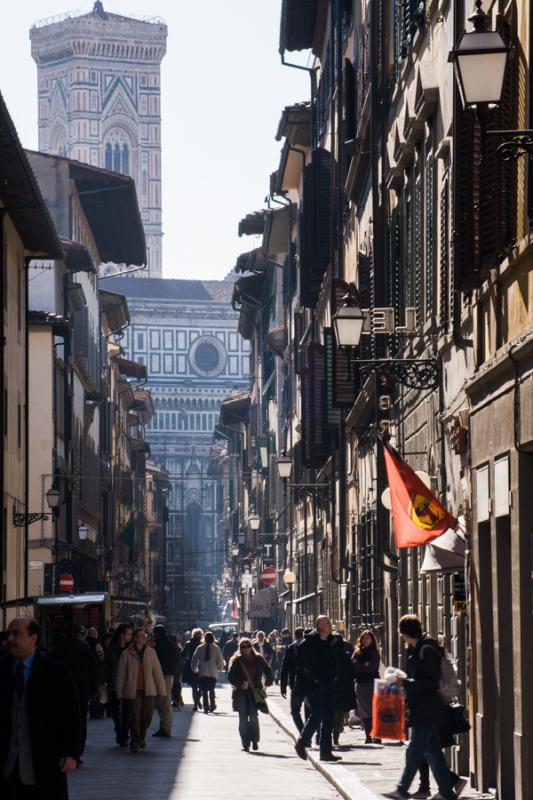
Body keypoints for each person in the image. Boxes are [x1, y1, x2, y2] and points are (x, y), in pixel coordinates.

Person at [0, 617, 80, 799]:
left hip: (44, 759)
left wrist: (71, 753)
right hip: (6, 762)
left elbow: (71, 714)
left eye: (17, 634)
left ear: (33, 639)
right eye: (8, 634)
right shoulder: (2, 669)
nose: (10, 639)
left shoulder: (56, 671)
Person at [385, 615, 458, 800]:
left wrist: (405, 683)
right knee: (432, 752)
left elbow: (430, 681)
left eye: (402, 634)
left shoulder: (426, 649)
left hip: (429, 709)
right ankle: (448, 792)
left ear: (406, 632)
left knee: (414, 752)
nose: (402, 638)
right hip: (423, 708)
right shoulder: (418, 649)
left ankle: (402, 790)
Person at [294, 615, 352, 763]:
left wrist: (339, 676)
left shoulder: (335, 640)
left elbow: (341, 659)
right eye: (325, 622)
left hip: (331, 683)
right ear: (318, 625)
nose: (329, 624)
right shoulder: (309, 641)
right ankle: (302, 742)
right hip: (316, 684)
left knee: (328, 718)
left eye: (329, 622)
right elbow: (302, 664)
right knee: (317, 714)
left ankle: (325, 752)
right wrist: (312, 680)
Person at [115, 627, 166, 752]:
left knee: (147, 716)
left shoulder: (151, 652)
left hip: (149, 690)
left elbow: (157, 672)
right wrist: (119, 691)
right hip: (133, 691)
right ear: (136, 638)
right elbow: (121, 674)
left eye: (145, 636)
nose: (144, 638)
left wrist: (162, 690)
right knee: (135, 717)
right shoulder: (126, 653)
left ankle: (141, 735)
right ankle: (136, 741)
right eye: (142, 636)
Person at [52, 626, 99, 762]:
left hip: (61, 694)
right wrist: (93, 691)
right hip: (81, 693)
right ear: (79, 635)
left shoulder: (58, 651)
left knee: (62, 722)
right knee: (80, 723)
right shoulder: (86, 651)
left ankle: (63, 751)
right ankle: (77, 752)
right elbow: (94, 672)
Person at [228, 638, 272, 752]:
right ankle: (245, 742)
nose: (246, 648)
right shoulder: (237, 660)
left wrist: (268, 681)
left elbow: (268, 670)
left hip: (254, 692)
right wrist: (240, 683)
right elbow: (230, 676)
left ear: (251, 647)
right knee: (242, 717)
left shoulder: (258, 659)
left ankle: (255, 740)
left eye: (248, 646)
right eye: (243, 647)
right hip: (241, 693)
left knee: (253, 716)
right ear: (240, 648)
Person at [104, 624, 133, 746]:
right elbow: (105, 668)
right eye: (129, 634)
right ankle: (120, 732)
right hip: (114, 685)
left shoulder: (131, 649)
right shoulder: (111, 649)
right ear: (122, 635)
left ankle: (124, 734)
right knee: (116, 712)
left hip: (129, 685)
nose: (131, 636)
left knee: (128, 712)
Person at [352, 630, 381, 743]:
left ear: (372, 640)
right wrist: (363, 664)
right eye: (364, 638)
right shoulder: (358, 652)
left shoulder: (374, 653)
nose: (365, 640)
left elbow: (372, 668)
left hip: (373, 683)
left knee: (375, 710)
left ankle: (377, 736)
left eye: (368, 638)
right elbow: (352, 664)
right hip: (360, 684)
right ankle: (368, 736)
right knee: (364, 711)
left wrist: (360, 665)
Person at [153, 625, 181, 737]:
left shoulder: (160, 645)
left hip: (163, 675)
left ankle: (165, 728)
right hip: (169, 675)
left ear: (157, 634)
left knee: (163, 702)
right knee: (165, 701)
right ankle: (165, 727)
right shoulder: (171, 644)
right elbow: (178, 659)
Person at [280, 627, 306, 732]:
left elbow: (284, 669)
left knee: (295, 711)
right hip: (310, 683)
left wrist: (283, 688)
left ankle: (303, 732)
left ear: (295, 636)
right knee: (311, 712)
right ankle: (314, 734)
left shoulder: (290, 649)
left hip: (295, 684)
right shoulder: (311, 647)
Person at [191, 631, 224, 713]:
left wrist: (194, 669)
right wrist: (220, 668)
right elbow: (220, 660)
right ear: (213, 638)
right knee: (212, 690)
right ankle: (212, 705)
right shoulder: (216, 648)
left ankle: (206, 707)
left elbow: (194, 659)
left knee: (204, 690)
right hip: (213, 673)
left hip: (203, 672)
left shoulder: (200, 647)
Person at [86, 628, 106, 719]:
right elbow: (102, 658)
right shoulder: (97, 645)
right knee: (99, 693)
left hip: (87, 672)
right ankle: (98, 712)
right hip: (97, 671)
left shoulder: (85, 644)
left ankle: (92, 711)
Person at [182, 628, 203, 710]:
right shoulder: (202, 644)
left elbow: (183, 655)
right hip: (201, 667)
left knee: (194, 687)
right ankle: (198, 699)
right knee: (201, 686)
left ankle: (195, 704)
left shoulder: (188, 644)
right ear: (201, 635)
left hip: (191, 666)